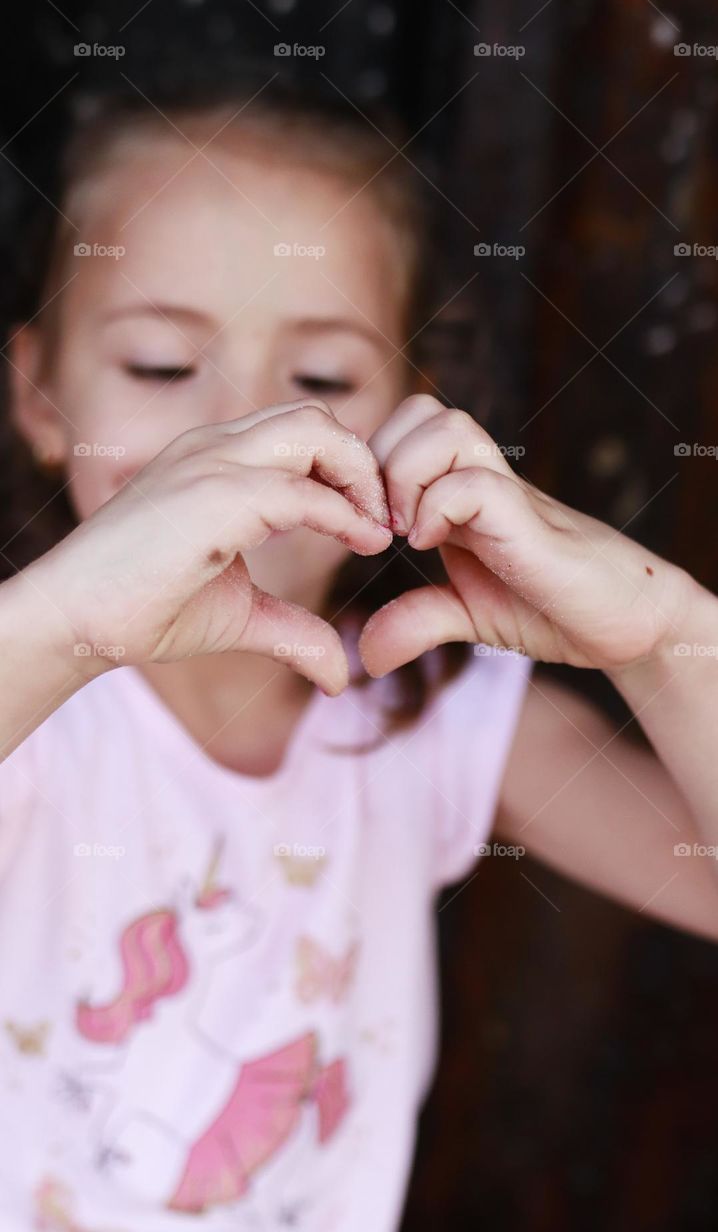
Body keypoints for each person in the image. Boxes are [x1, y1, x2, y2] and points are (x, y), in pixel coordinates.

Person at [1, 68, 716, 1231]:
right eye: (160, 365)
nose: (240, 428)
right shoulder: (29, 702)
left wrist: (668, 636)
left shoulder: (432, 715)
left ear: (408, 414)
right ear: (37, 394)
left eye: (323, 378)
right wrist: (67, 622)